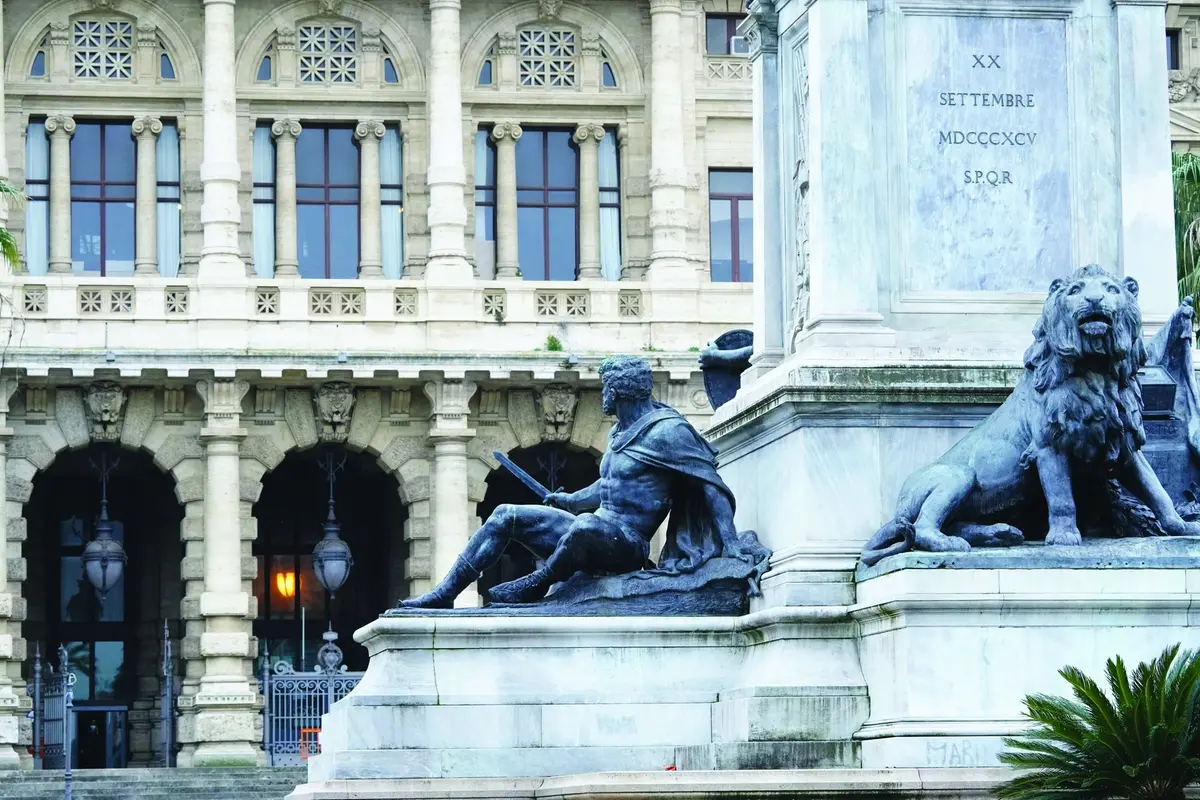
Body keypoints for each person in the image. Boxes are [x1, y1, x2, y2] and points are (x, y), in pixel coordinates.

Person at [398, 355, 756, 609]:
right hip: (595, 527)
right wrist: (569, 501)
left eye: (606, 389)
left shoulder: (667, 432)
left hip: (627, 546)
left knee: (584, 527)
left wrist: (731, 542)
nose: (603, 396)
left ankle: (536, 586)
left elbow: (711, 485)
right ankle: (445, 592)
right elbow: (609, 487)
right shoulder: (621, 432)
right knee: (506, 514)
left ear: (620, 391)